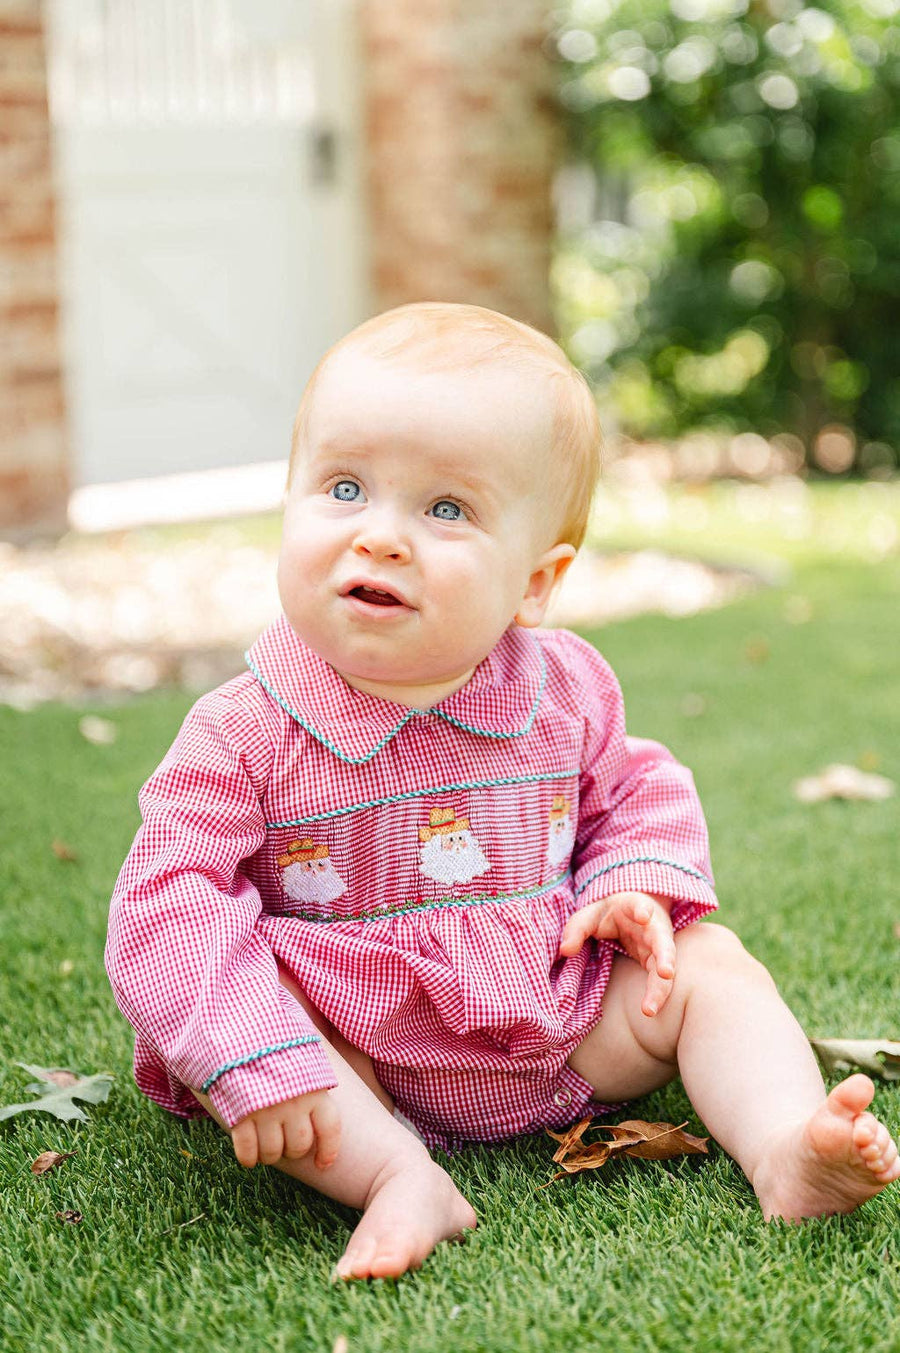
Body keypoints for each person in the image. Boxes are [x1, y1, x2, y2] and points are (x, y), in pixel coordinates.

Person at [106, 302, 900, 1282]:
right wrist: (250, 1052)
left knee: (708, 963)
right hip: (356, 1058)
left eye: (445, 509)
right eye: (344, 488)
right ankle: (399, 1177)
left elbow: (635, 788)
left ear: (536, 581)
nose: (380, 538)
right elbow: (168, 899)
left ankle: (785, 1145)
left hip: (556, 1022)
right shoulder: (244, 730)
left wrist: (633, 885)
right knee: (244, 997)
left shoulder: (561, 689)